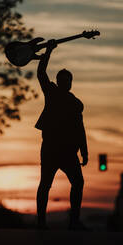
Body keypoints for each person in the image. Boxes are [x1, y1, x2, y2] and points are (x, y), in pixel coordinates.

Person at [35, 39, 88, 230]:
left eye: (68, 80)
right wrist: (48, 52)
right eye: (63, 80)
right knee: (46, 184)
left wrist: (84, 151)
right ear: (59, 81)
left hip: (66, 151)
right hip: (51, 148)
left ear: (71, 83)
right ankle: (42, 221)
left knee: (77, 182)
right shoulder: (52, 93)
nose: (66, 83)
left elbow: (80, 129)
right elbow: (41, 73)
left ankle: (73, 221)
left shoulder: (75, 104)